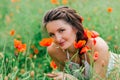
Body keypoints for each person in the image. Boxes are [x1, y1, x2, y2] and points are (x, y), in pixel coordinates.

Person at [41, 6, 120, 80]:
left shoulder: (97, 46)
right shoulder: (54, 51)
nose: (58, 39)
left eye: (61, 30)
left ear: (75, 28)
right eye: (52, 34)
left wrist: (71, 78)